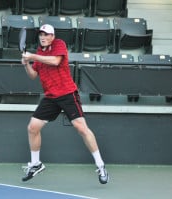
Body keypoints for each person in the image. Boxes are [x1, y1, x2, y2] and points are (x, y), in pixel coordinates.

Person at [20, 24, 109, 184]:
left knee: (81, 128)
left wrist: (32, 56)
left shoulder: (59, 45)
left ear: (52, 36)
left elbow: (55, 61)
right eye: (41, 35)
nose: (43, 37)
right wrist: (26, 64)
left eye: (46, 35)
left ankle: (100, 165)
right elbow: (33, 75)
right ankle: (36, 164)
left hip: (67, 93)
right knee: (32, 128)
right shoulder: (40, 53)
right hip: (50, 97)